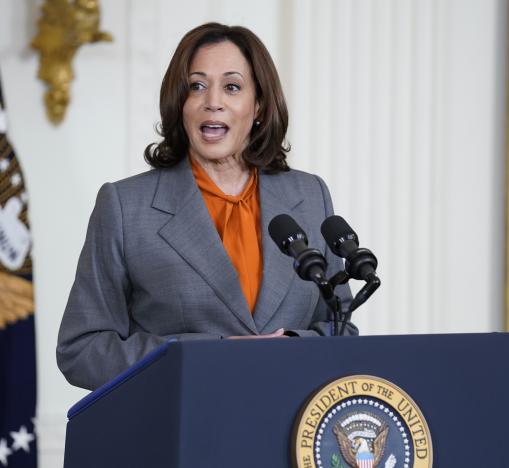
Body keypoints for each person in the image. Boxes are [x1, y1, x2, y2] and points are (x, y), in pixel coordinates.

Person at [57, 22, 357, 390]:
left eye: (232, 87)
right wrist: (206, 354)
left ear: (258, 105)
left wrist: (291, 347)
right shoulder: (124, 206)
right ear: (180, 104)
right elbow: (82, 349)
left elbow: (342, 326)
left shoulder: (310, 196)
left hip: (289, 431)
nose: (212, 101)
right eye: (196, 86)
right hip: (181, 432)